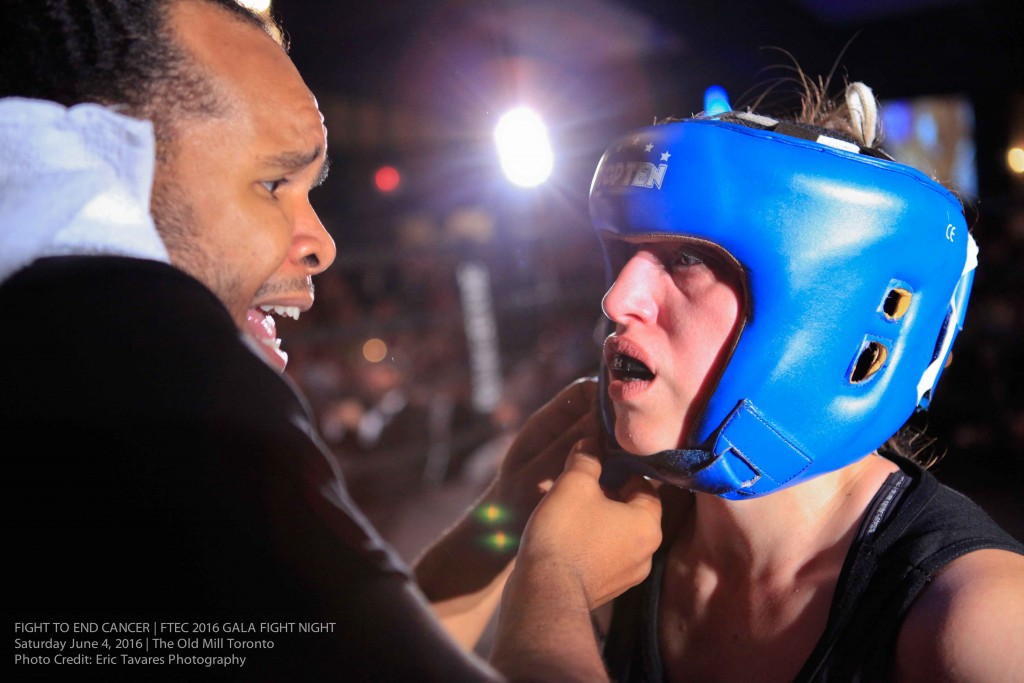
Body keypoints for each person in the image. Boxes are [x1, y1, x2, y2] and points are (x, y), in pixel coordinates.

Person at [0, 1, 662, 680]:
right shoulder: (147, 377)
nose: (322, 243)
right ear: (115, 156)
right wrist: (557, 583)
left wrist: (503, 518)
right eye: (274, 183)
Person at [416, 81, 1024, 681]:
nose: (618, 299)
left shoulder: (979, 623)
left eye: (688, 259)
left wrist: (550, 589)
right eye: (626, 254)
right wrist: (498, 523)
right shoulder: (621, 547)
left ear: (831, 316)